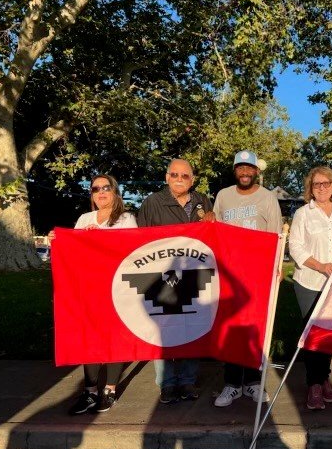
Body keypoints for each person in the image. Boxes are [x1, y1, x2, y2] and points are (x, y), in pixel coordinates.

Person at [50, 174, 138, 414]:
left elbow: (130, 250)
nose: (101, 192)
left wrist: (99, 238)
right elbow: (74, 252)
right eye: (95, 189)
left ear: (115, 191)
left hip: (116, 287)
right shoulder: (84, 218)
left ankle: (109, 389)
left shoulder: (126, 218)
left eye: (106, 188)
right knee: (89, 337)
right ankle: (89, 392)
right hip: (88, 288)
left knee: (114, 336)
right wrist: (59, 240)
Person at [137, 158, 213, 404]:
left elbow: (212, 238)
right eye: (175, 175)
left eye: (185, 176)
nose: (180, 179)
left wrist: (212, 222)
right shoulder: (153, 202)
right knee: (164, 329)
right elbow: (138, 240)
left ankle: (188, 381)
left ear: (193, 179)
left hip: (194, 274)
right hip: (162, 275)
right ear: (166, 177)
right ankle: (167, 383)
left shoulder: (203, 201)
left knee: (192, 325)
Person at [212, 150, 282, 407]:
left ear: (256, 171)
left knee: (255, 327)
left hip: (258, 271)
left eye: (249, 168)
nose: (244, 172)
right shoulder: (223, 196)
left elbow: (276, 236)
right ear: (235, 171)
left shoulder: (267, 198)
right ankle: (231, 384)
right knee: (230, 327)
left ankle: (252, 383)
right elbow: (214, 230)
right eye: (240, 168)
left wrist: (276, 270)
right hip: (229, 272)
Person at [289, 166, 332, 410]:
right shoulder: (303, 214)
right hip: (308, 281)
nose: (322, 188)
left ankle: (324, 380)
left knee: (326, 335)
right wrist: (320, 265)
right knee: (311, 333)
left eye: (327, 183)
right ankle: (313, 385)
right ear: (310, 189)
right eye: (317, 184)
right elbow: (295, 246)